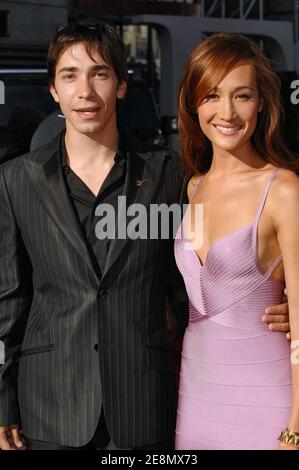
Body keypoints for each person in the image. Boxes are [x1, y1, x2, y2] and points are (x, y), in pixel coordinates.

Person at [0, 21, 290, 451]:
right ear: (53, 90)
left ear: (120, 86)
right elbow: (8, 301)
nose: (85, 90)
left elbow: (201, 266)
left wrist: (280, 302)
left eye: (99, 73)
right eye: (69, 75)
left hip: (144, 406)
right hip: (48, 406)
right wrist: (2, 404)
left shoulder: (167, 173)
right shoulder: (15, 180)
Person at [174, 32, 299, 450]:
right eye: (211, 95)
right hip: (196, 399)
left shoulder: (282, 189)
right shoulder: (190, 188)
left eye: (241, 96)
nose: (226, 112)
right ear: (194, 103)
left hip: (268, 400)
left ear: (262, 103)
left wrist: (296, 427)